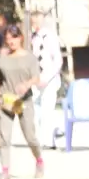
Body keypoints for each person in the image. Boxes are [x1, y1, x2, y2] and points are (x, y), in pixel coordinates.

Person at [0, 23, 43, 179]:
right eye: (8, 39)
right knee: (4, 137)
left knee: (30, 135)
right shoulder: (2, 60)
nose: (11, 41)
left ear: (20, 37)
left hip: (24, 101)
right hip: (7, 101)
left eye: (13, 38)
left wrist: (26, 84)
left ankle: (39, 160)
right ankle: (5, 171)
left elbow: (36, 78)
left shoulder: (30, 58)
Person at [29, 9, 63, 149]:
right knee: (36, 111)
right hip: (35, 79)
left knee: (47, 110)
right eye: (33, 21)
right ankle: (41, 139)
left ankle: (49, 141)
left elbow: (58, 60)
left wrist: (47, 77)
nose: (35, 24)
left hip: (48, 78)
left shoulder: (49, 37)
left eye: (37, 21)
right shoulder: (32, 37)